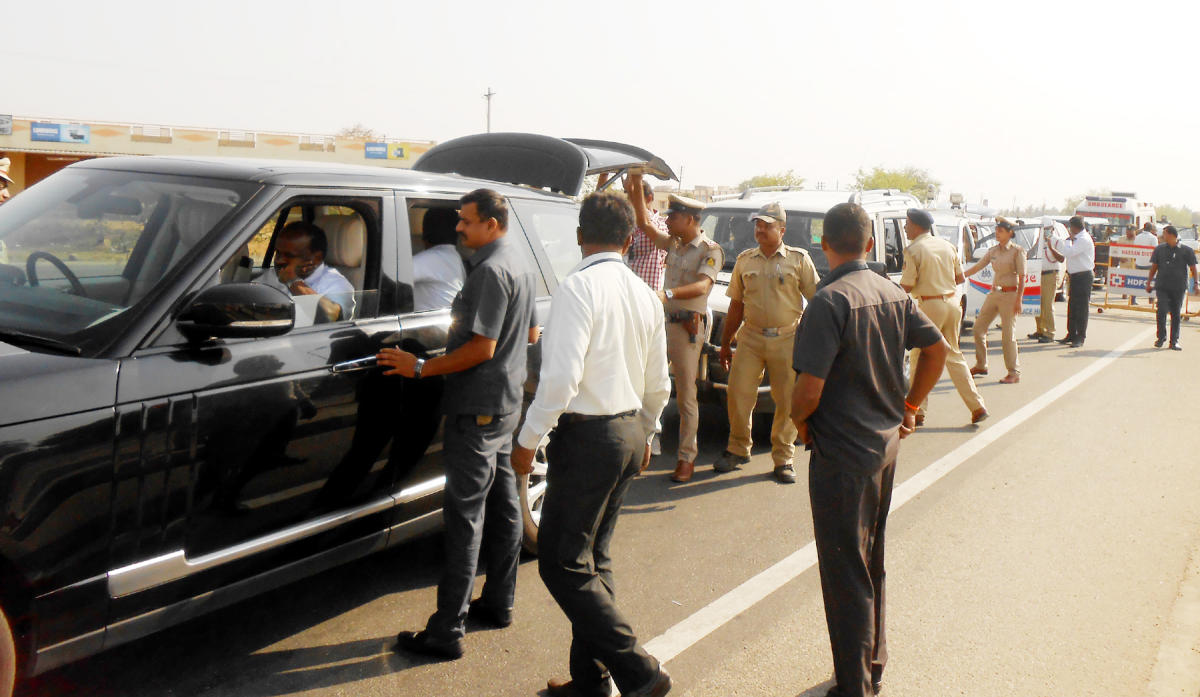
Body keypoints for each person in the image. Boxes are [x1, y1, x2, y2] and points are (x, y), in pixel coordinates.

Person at [511, 190, 673, 697]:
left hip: (589, 435)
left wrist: (528, 436)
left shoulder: (577, 288)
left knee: (562, 563)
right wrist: (648, 430)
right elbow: (659, 380)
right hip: (626, 430)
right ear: (630, 240)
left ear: (579, 236)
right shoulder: (644, 292)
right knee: (592, 560)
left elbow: (560, 380)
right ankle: (591, 679)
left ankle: (638, 670)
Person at [790, 202, 949, 697]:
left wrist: (800, 423)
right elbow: (938, 348)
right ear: (870, 243)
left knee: (844, 569)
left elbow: (808, 390)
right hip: (882, 448)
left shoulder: (829, 300)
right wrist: (911, 405)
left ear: (824, 244)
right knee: (870, 559)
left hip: (843, 454)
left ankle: (855, 684)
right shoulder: (891, 292)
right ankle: (872, 664)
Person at [381, 189, 539, 660]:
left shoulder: (491, 271)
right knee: (506, 509)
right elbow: (528, 335)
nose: (458, 228)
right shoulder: (520, 262)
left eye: (467, 221)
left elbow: (481, 348)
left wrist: (420, 368)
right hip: (505, 405)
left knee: (465, 520)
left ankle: (447, 630)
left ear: (492, 223)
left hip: (478, 409)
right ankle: (499, 603)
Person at [711, 201, 818, 483]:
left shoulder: (799, 259)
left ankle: (783, 459)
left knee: (787, 400)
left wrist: (812, 340)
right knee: (738, 394)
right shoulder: (746, 260)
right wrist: (725, 343)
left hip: (787, 337)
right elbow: (735, 305)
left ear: (782, 230)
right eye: (758, 224)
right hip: (751, 337)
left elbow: (816, 302)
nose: (760, 229)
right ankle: (737, 448)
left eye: (767, 225)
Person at [628, 173, 723, 483]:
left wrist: (666, 294)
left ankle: (686, 457)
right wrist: (636, 184)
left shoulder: (710, 249)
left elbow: (703, 286)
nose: (668, 220)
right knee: (646, 385)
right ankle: (639, 447)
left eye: (675, 215)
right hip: (661, 325)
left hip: (686, 329)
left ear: (692, 219)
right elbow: (644, 224)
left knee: (685, 396)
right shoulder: (675, 244)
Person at [898, 208, 988, 424]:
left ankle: (916, 410)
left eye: (907, 223)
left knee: (920, 355)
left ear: (917, 225)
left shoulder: (913, 250)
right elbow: (959, 278)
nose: (905, 227)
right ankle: (977, 406)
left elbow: (907, 286)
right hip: (952, 303)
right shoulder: (947, 246)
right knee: (954, 355)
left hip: (930, 305)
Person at [964, 217, 1024, 383]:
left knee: (1007, 335)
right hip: (994, 294)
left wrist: (1019, 299)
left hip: (1010, 296)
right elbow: (977, 267)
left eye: (1001, 231)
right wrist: (959, 277)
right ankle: (981, 364)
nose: (997, 233)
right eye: (996, 230)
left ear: (1010, 233)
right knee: (978, 328)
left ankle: (1014, 372)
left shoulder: (1017, 251)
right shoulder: (993, 251)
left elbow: (1022, 277)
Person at [262, 221, 355, 323]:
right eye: (278, 253)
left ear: (315, 258)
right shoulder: (271, 276)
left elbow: (330, 315)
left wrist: (292, 281)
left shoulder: (336, 284)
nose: (279, 260)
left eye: (289, 255)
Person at [1146, 225, 1199, 350]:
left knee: (1176, 313)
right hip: (1162, 286)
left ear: (1171, 235)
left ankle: (1174, 341)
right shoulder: (1159, 249)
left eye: (1164, 233)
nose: (1162, 236)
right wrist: (1149, 282)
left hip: (1178, 287)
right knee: (1162, 310)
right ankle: (1161, 337)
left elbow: (1193, 268)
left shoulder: (1187, 250)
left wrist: (1196, 283)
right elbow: (1154, 267)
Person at [1051, 216, 1096, 348]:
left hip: (1084, 276)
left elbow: (1069, 253)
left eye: (1070, 227)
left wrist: (1067, 241)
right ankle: (1071, 334)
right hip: (1075, 276)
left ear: (1074, 227)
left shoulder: (1083, 239)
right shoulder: (1076, 239)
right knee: (1073, 307)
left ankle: (1080, 337)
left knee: (1082, 308)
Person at [412, 207, 466, 311]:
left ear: (425, 235)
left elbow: (391, 280)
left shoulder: (430, 259)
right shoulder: (453, 256)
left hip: (432, 325)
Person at [622, 174, 670, 290]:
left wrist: (636, 182)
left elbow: (645, 222)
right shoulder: (630, 223)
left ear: (649, 199)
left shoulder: (661, 225)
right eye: (628, 196)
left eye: (633, 197)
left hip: (646, 294)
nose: (629, 202)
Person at [1029, 217, 1065, 342]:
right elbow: (1030, 253)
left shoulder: (1057, 241)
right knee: (1037, 304)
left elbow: (1061, 258)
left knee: (1048, 305)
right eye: (1043, 229)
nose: (1045, 231)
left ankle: (1050, 333)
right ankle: (1040, 330)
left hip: (1050, 275)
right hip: (1038, 274)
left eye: (1047, 229)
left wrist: (1051, 247)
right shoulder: (1039, 242)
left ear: (1052, 229)